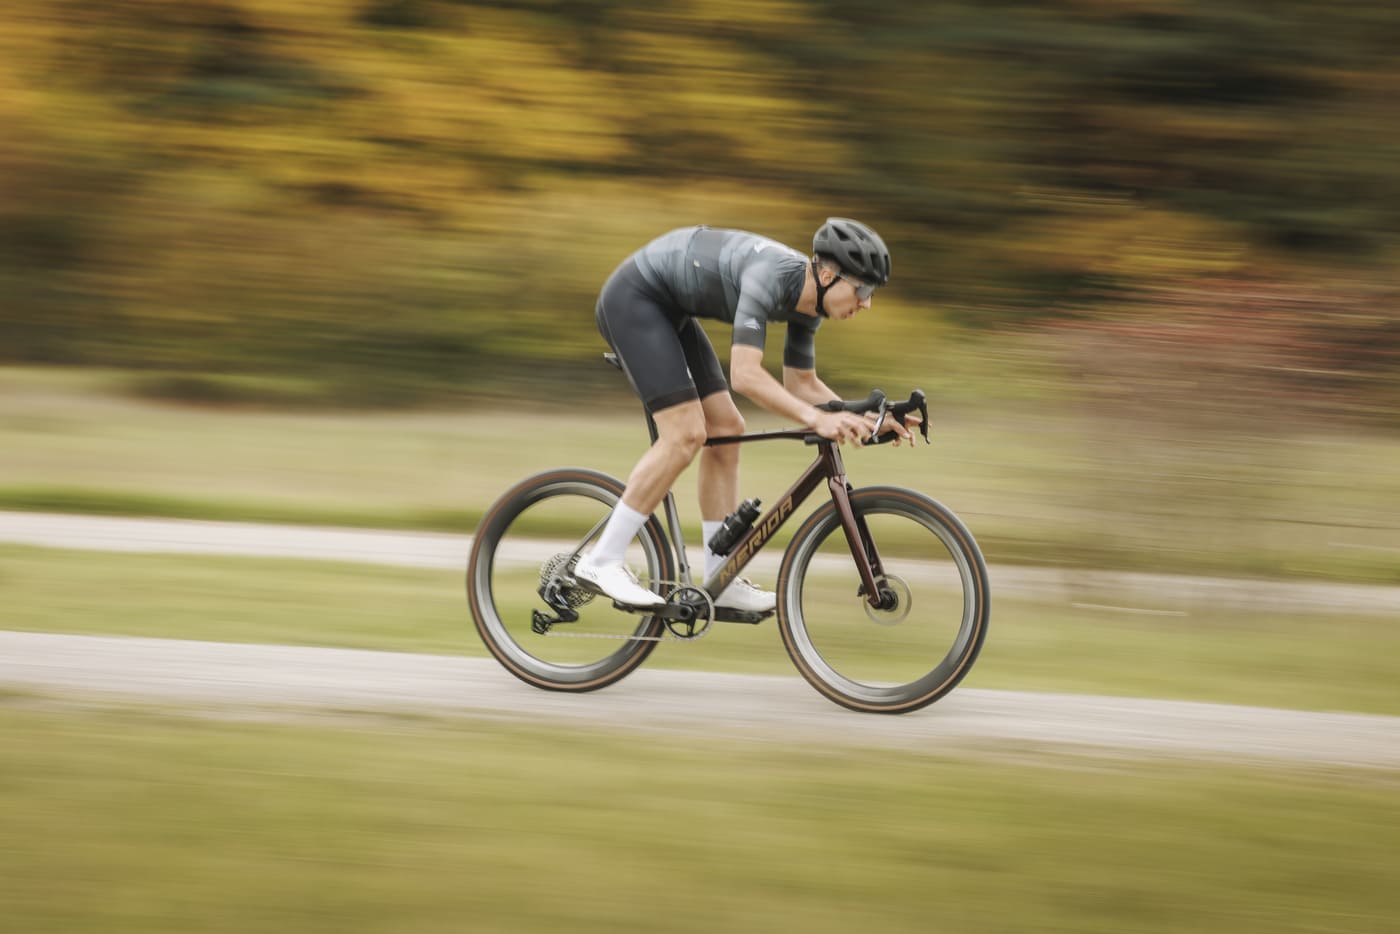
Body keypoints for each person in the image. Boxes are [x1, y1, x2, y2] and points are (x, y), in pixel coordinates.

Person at [574, 217, 915, 610]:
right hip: (635, 299)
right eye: (863, 288)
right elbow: (745, 375)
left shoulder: (809, 303)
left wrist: (871, 419)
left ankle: (721, 577)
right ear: (826, 274)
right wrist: (818, 418)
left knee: (727, 427)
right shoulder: (769, 277)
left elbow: (802, 385)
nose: (867, 302)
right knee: (684, 434)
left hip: (670, 312)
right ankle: (601, 562)